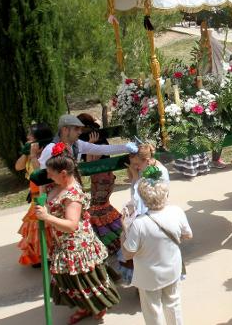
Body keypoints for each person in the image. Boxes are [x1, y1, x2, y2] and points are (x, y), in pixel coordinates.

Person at [35, 143, 120, 324]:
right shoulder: (57, 184)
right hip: (63, 243)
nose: (47, 175)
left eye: (51, 172)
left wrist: (46, 217)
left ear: (64, 174)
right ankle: (85, 307)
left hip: (76, 247)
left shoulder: (72, 194)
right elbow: (43, 188)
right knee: (71, 281)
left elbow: (72, 225)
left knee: (82, 281)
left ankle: (96, 306)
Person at [121, 176, 192, 325]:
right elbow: (188, 235)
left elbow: (128, 253)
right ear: (165, 194)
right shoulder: (177, 211)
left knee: (152, 310)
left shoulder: (139, 224)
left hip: (148, 276)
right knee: (174, 304)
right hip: (172, 268)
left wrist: (124, 229)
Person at [119, 144, 170, 285]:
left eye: (136, 164)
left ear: (147, 160)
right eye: (132, 164)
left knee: (147, 253)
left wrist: (135, 178)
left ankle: (150, 282)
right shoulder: (146, 168)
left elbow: (143, 197)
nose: (135, 167)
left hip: (151, 216)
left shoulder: (159, 173)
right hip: (145, 214)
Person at [77, 114, 123, 256]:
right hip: (102, 178)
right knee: (102, 208)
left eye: (79, 127)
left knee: (98, 209)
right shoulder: (96, 138)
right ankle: (118, 236)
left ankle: (115, 239)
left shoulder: (96, 140)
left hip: (102, 179)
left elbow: (92, 164)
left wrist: (91, 146)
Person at [16, 123, 53, 267]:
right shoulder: (29, 152)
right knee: (35, 227)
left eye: (30, 135)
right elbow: (18, 166)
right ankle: (39, 256)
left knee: (42, 227)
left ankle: (46, 255)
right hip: (34, 196)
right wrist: (27, 153)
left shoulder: (46, 152)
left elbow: (40, 173)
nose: (27, 137)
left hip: (43, 195)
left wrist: (33, 156)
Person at [39, 114, 136, 168]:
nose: (80, 132)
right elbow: (44, 177)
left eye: (81, 129)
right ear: (65, 130)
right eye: (76, 129)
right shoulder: (50, 149)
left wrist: (126, 147)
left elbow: (103, 149)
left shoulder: (77, 144)